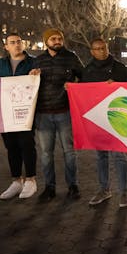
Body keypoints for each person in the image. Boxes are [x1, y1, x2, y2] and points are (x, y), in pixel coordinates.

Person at [30, 28, 83, 202]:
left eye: (60, 38)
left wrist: (74, 85)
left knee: (69, 152)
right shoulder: (38, 60)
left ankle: (72, 185)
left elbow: (83, 77)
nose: (57, 41)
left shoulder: (71, 57)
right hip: (43, 114)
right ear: (46, 41)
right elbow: (28, 86)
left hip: (65, 112)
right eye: (53, 39)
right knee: (46, 153)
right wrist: (31, 76)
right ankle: (49, 187)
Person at [82, 38, 127, 208]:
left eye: (104, 48)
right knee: (101, 155)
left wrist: (117, 85)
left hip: (117, 117)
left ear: (108, 48)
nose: (101, 51)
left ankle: (124, 192)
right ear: (92, 51)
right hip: (98, 119)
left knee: (119, 155)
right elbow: (83, 93)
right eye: (97, 49)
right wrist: (71, 88)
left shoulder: (119, 68)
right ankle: (104, 189)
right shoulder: (87, 70)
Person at [0, 33, 38, 200]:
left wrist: (37, 75)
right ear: (6, 47)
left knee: (27, 144)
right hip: (6, 112)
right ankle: (16, 180)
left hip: (26, 112)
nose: (16, 45)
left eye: (19, 42)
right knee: (11, 147)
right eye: (12, 43)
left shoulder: (32, 62)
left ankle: (31, 179)